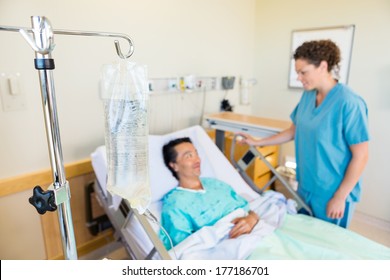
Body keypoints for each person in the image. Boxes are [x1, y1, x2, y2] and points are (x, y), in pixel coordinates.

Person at [237, 40, 369, 228]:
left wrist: (340, 197)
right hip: (307, 184)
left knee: (327, 245)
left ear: (323, 66)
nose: (299, 78)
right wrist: (257, 142)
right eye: (297, 72)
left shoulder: (349, 103)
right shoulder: (308, 95)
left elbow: (361, 156)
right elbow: (293, 131)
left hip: (333, 190)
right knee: (306, 237)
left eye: (303, 72)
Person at [159, 137, 259, 250]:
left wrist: (251, 219)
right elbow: (183, 247)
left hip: (256, 231)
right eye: (188, 156)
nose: (197, 160)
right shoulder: (175, 203)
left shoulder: (216, 184)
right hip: (229, 247)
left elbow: (247, 209)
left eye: (196, 153)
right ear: (174, 165)